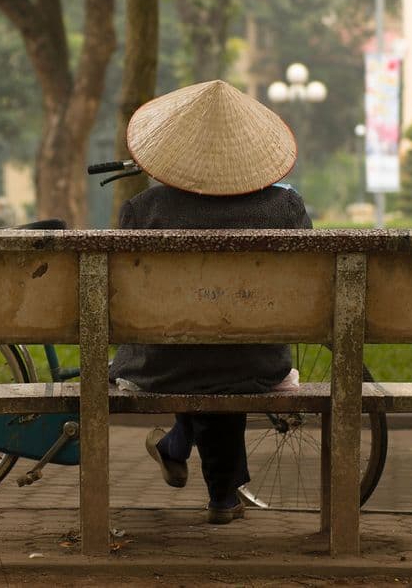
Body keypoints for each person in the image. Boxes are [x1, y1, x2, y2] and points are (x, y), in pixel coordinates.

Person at [107, 79, 308, 525]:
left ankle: (181, 450)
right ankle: (217, 491)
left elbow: (124, 297)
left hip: (163, 363)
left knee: (195, 345)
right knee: (225, 347)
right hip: (256, 361)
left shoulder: (143, 210)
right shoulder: (285, 210)